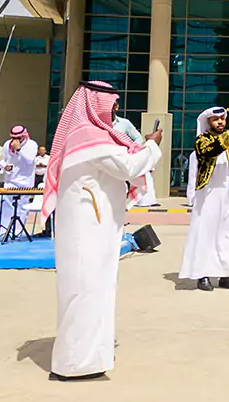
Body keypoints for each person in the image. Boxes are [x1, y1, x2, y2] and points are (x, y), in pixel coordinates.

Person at [39, 82, 163, 380]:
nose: (115, 108)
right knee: (86, 289)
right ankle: (75, 364)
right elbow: (128, 167)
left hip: (92, 227)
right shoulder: (89, 136)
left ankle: (88, 358)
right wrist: (152, 145)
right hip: (88, 228)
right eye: (112, 103)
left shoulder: (92, 136)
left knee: (93, 289)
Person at [181, 106, 229, 290]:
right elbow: (209, 151)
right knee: (205, 233)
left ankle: (226, 274)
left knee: (227, 234)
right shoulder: (202, 139)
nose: (220, 122)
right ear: (208, 122)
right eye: (216, 119)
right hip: (208, 194)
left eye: (222, 119)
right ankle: (202, 274)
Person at [0, 125, 40, 235]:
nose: (15, 140)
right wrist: (4, 166)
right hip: (10, 182)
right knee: (5, 207)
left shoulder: (31, 145)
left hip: (25, 184)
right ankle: (3, 231)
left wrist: (19, 149)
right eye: (13, 138)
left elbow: (29, 161)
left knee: (21, 209)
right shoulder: (7, 144)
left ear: (24, 136)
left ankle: (17, 232)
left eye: (18, 138)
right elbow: (0, 159)